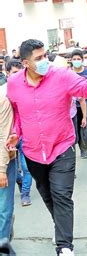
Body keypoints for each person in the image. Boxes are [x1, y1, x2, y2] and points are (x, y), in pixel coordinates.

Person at [6, 39, 87, 256]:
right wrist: (15, 133)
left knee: (62, 195)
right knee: (47, 195)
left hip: (62, 147)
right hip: (33, 151)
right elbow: (17, 113)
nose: (44, 61)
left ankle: (65, 247)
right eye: (38, 58)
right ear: (26, 63)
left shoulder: (61, 75)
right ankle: (60, 228)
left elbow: (85, 87)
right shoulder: (14, 84)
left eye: (45, 55)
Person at [4, 60, 32, 207]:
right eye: (14, 73)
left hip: (25, 134)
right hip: (8, 136)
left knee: (27, 167)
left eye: (20, 72)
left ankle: (25, 194)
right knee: (11, 169)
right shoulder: (3, 92)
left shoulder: (28, 88)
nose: (18, 76)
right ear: (7, 73)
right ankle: (19, 181)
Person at [0, 75, 15, 244]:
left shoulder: (3, 102)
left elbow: (3, 136)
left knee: (4, 208)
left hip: (4, 160)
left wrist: (1, 169)